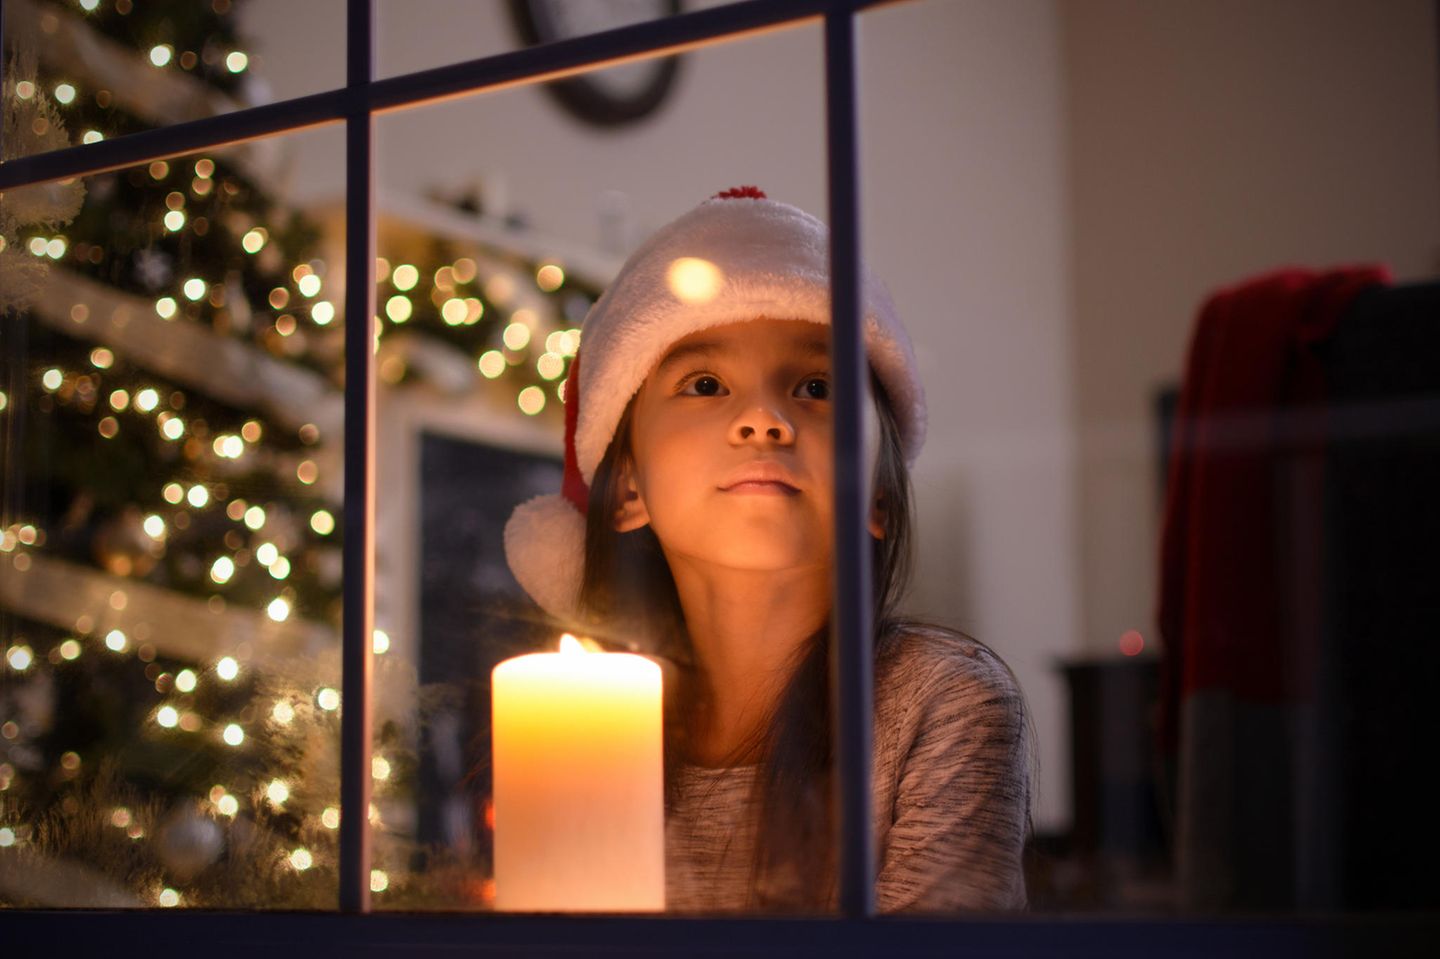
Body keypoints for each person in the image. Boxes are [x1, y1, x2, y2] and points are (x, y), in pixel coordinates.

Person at [504, 186, 1033, 914]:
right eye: (705, 384)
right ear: (627, 486)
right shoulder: (576, 727)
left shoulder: (942, 703)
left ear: (877, 495)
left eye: (815, 385)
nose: (762, 419)